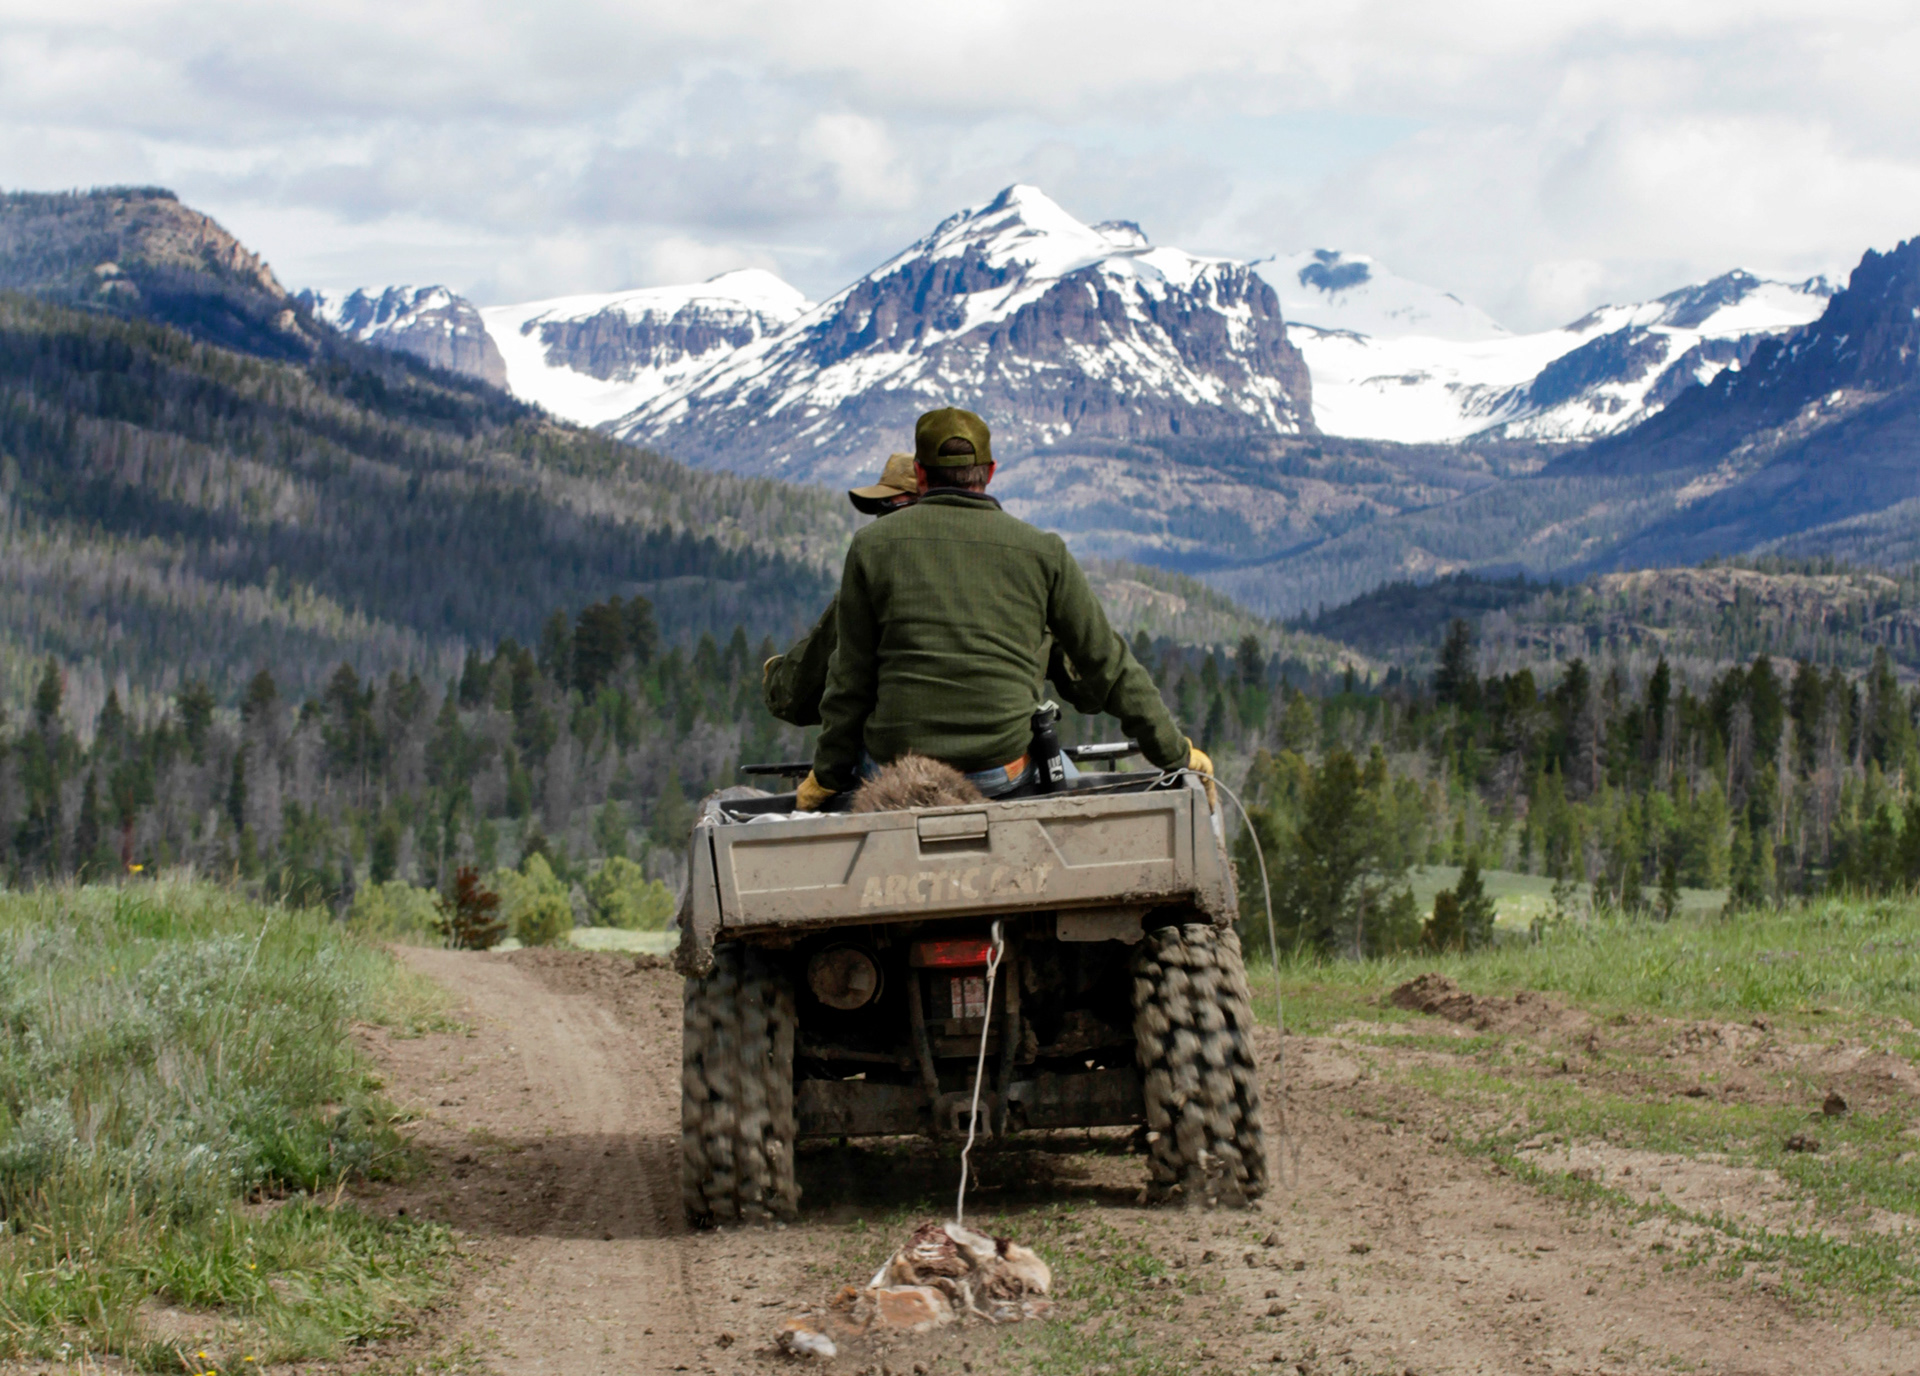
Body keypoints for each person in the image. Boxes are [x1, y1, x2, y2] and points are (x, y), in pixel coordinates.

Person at [795, 407, 1210, 809]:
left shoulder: (872, 547)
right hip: (1002, 772)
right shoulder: (1043, 551)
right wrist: (1174, 753)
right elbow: (1110, 665)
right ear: (990, 472)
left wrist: (827, 776)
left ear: (919, 474)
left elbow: (850, 679)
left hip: (899, 773)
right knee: (1066, 778)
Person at [762, 453, 918, 726]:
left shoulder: (876, 577)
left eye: (890, 507)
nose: (882, 521)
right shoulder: (1000, 561)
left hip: (898, 751)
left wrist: (774, 673)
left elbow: (797, 695)